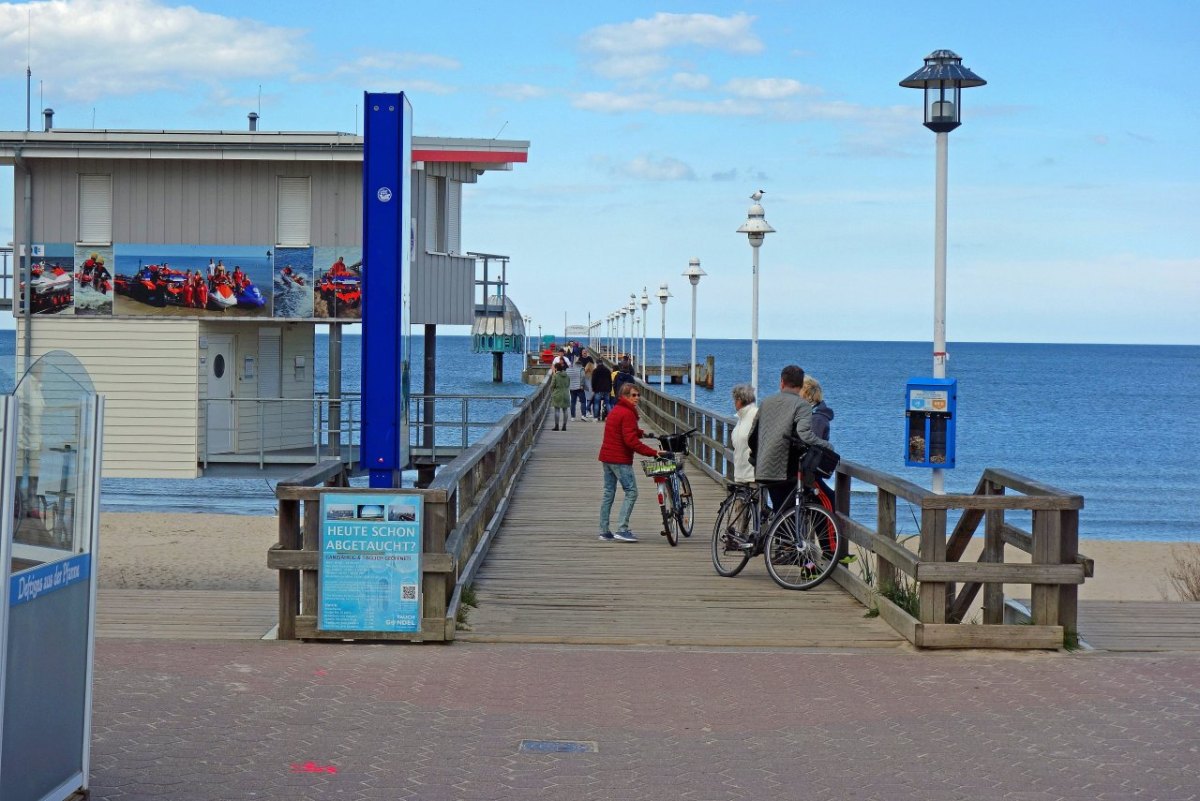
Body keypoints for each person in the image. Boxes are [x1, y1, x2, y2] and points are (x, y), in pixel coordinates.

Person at [749, 365, 831, 513]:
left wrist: (756, 456)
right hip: (784, 472)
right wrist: (827, 446)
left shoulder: (766, 402)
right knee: (787, 515)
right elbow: (805, 435)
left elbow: (752, 435)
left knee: (779, 513)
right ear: (800, 386)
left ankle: (770, 534)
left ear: (782, 382)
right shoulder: (802, 405)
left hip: (762, 468)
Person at [597, 382, 667, 543]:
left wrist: (644, 434)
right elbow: (631, 441)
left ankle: (604, 530)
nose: (636, 398)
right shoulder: (628, 413)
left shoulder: (617, 410)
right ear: (625, 396)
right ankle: (622, 528)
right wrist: (654, 452)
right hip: (619, 459)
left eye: (638, 395)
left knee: (609, 493)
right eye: (633, 395)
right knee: (631, 492)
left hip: (607, 458)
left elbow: (627, 431)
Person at [550, 362, 570, 431]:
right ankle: (564, 426)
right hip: (566, 394)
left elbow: (552, 385)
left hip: (558, 394)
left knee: (557, 410)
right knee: (565, 410)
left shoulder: (555, 376)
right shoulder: (567, 375)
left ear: (556, 368)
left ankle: (557, 426)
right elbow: (568, 384)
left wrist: (553, 390)